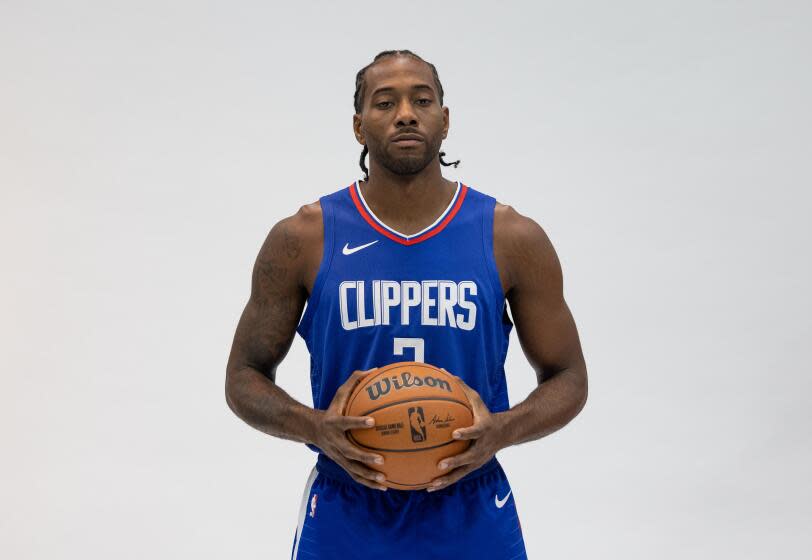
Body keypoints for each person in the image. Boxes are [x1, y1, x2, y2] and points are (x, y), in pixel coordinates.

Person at [225, 49, 588, 560]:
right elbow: (243, 376)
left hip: (470, 500)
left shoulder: (510, 237)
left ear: (445, 119)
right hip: (347, 505)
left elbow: (569, 376)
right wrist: (316, 428)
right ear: (358, 125)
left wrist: (501, 431)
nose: (406, 113)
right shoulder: (305, 237)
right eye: (385, 102)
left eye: (422, 99)